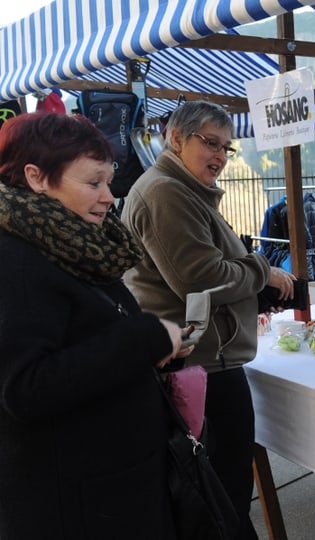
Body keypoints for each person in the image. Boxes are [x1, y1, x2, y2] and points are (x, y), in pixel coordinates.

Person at [0, 112, 191, 539]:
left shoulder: (69, 245)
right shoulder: (15, 259)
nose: (109, 196)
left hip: (111, 490)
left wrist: (154, 350)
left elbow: (88, 344)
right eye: (93, 183)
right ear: (36, 177)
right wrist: (145, 337)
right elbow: (26, 386)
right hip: (75, 505)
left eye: (109, 181)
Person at [122, 101, 295, 540]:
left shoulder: (182, 189)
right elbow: (199, 279)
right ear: (176, 139)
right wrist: (263, 270)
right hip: (199, 369)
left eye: (227, 147)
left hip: (204, 362)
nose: (219, 155)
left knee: (221, 495)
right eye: (210, 143)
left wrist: (251, 294)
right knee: (220, 499)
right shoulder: (165, 192)